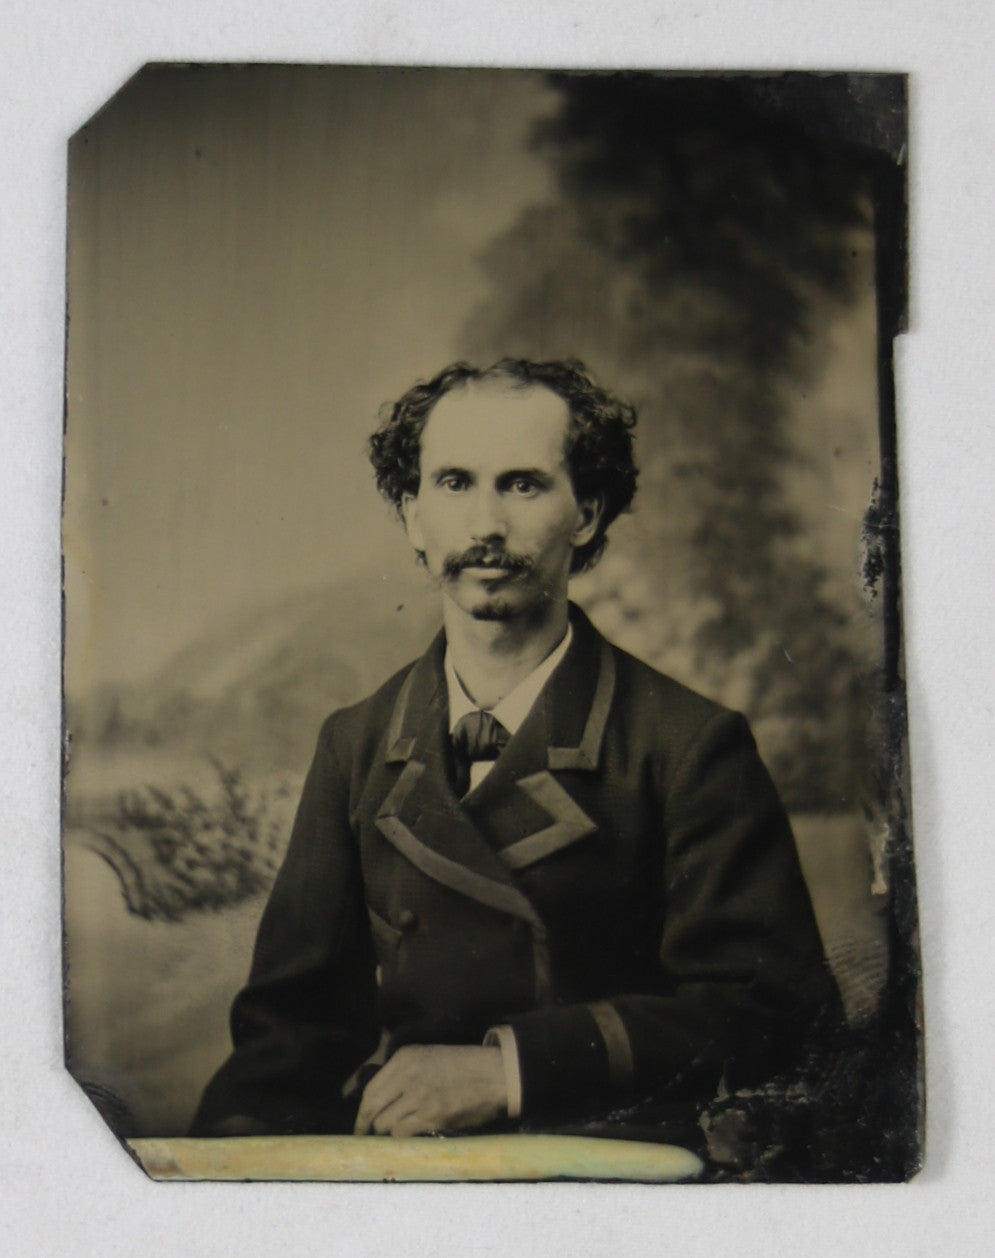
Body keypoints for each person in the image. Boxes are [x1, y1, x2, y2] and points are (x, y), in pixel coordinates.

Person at [192, 358, 840, 1141]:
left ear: (587, 514)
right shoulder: (356, 742)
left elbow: (774, 1015)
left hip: (610, 1177)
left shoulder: (689, 746)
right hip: (407, 1172)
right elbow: (288, 1034)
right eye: (454, 484)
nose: (485, 526)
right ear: (413, 516)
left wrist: (510, 1070)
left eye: (523, 484)